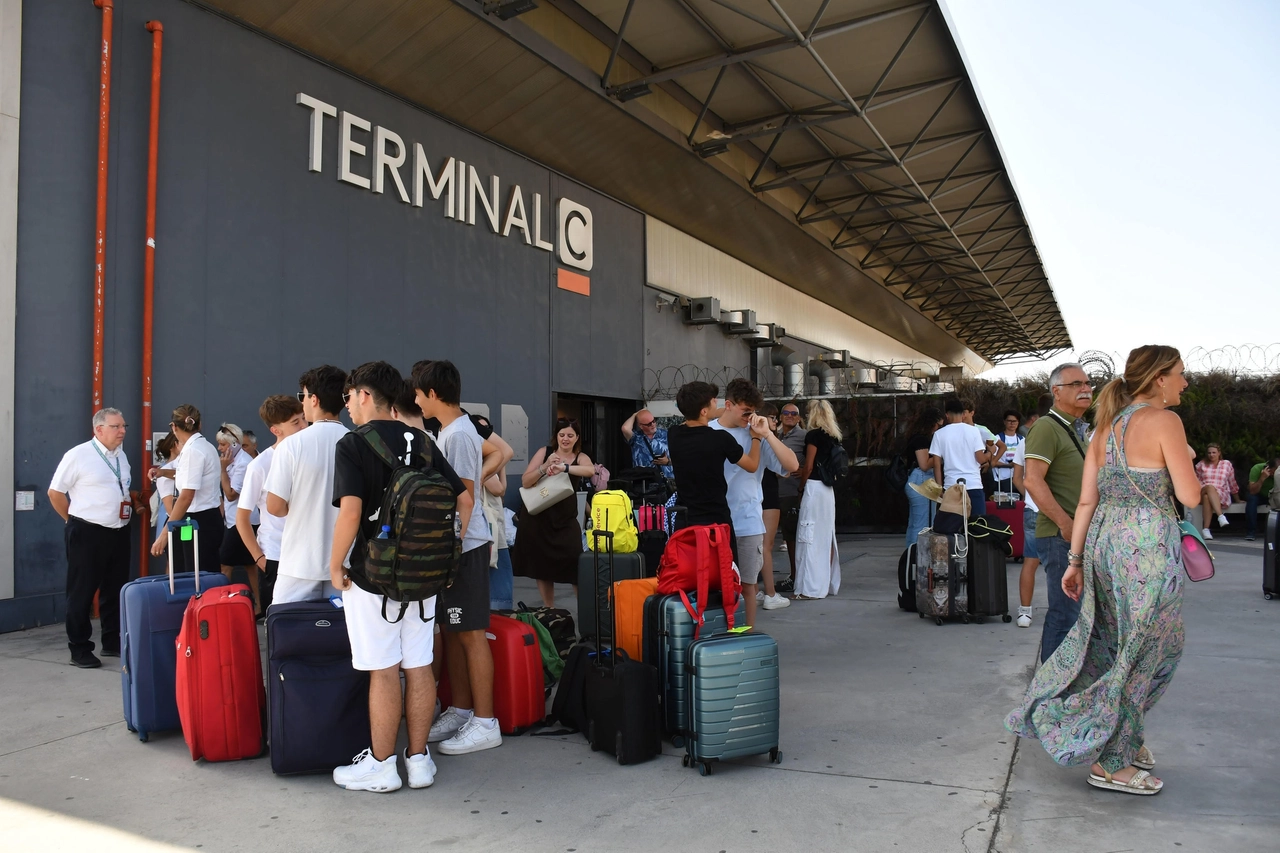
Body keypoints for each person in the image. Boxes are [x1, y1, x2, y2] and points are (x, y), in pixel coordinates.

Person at [1007, 345, 1200, 796]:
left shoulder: (1104, 427)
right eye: (1180, 375)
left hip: (1104, 545)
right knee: (1148, 649)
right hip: (1147, 549)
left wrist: (1075, 561)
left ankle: (1118, 736)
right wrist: (1185, 457)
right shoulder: (1166, 422)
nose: (1184, 383)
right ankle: (1111, 762)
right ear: (1158, 379)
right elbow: (1190, 494)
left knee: (1116, 646)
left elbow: (1088, 501)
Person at [329, 361, 471, 793]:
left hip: (374, 578)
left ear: (365, 395)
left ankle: (382, 765)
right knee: (420, 665)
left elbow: (351, 512)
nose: (348, 406)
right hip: (425, 577)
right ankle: (419, 760)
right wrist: (446, 546)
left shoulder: (353, 444)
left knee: (384, 670)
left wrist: (335, 566)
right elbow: (463, 498)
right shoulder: (423, 439)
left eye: (349, 397)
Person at [414, 360, 502, 756]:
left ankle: (486, 722)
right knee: (453, 631)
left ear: (433, 394)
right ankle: (462, 709)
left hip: (464, 548)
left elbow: (463, 498)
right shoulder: (450, 432)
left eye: (418, 393)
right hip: (455, 549)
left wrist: (452, 545)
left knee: (470, 633)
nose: (415, 400)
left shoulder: (460, 437)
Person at [47, 407, 137, 668]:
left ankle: (111, 641)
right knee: (82, 591)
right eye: (116, 426)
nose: (122, 431)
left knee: (115, 588)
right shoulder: (78, 455)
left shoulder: (121, 456)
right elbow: (55, 493)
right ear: (99, 429)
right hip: (87, 531)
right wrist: (73, 521)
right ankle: (80, 648)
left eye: (124, 426)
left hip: (119, 531)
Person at [709, 383, 798, 622]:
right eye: (745, 411)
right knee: (714, 586)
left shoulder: (756, 433)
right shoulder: (708, 431)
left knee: (748, 586)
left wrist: (767, 433)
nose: (750, 417)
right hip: (714, 523)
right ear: (728, 405)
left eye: (753, 411)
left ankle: (746, 635)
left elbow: (792, 466)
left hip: (747, 522)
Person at [1023, 363, 1094, 662]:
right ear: (1056, 391)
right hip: (1060, 536)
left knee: (1075, 616)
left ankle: (1063, 687)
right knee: (1064, 616)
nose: (1086, 389)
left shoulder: (1074, 430)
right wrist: (1066, 525)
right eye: (1076, 384)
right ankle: (1051, 693)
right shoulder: (1046, 427)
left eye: (1088, 383)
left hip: (1074, 536)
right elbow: (1031, 480)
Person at [265, 366, 350, 604]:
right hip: (345, 561)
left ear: (314, 399)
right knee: (340, 636)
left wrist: (302, 506)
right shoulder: (357, 442)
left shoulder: (291, 446)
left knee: (289, 632)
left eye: (303, 396)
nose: (301, 403)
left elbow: (274, 506)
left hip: (299, 562)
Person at [666, 381, 765, 569]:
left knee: (691, 573)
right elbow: (752, 465)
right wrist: (756, 438)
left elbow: (690, 420)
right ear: (704, 411)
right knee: (724, 574)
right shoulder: (720, 439)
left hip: (686, 518)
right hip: (716, 519)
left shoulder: (673, 434)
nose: (717, 404)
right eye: (713, 402)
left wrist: (722, 412)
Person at [236, 396, 307, 617]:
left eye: (303, 419)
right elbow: (242, 517)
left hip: (306, 554)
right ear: (276, 430)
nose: (304, 426)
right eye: (296, 422)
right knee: (278, 624)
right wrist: (260, 558)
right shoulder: (260, 465)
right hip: (276, 556)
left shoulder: (308, 455)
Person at [511, 418, 592, 608]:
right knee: (542, 567)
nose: (565, 439)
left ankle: (586, 613)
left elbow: (590, 470)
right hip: (539, 517)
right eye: (562, 434)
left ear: (577, 438)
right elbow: (525, 481)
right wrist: (545, 466)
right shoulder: (545, 452)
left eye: (570, 435)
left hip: (565, 520)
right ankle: (549, 610)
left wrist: (564, 467)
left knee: (575, 565)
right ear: (556, 436)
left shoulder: (580, 456)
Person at [150, 404, 223, 574]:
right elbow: (188, 476)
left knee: (196, 576)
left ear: (174, 427)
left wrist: (163, 535)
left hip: (198, 520)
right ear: (199, 425)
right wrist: (163, 472)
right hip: (203, 519)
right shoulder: (204, 446)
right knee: (194, 572)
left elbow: (186, 496)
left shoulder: (193, 451)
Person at [793, 399, 843, 600]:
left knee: (809, 533)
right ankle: (826, 581)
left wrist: (801, 486)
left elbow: (809, 466)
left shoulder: (813, 436)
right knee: (826, 534)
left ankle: (811, 587)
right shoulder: (834, 437)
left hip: (814, 487)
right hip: (828, 490)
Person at [216, 423, 259, 606]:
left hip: (241, 522)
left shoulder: (242, 464)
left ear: (234, 445)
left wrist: (223, 470)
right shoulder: (236, 461)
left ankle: (223, 603)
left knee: (225, 564)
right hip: (238, 521)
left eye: (223, 445)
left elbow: (231, 494)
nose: (219, 449)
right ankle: (258, 603)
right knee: (250, 565)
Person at [929, 399, 987, 518]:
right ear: (963, 414)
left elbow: (936, 464)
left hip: (951, 486)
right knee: (977, 527)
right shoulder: (974, 431)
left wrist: (940, 488)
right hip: (973, 485)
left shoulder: (939, 434)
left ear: (947, 415)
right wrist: (990, 454)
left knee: (951, 528)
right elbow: (981, 459)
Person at [757, 404, 789, 610]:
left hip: (755, 494)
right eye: (772, 417)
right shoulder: (766, 439)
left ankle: (755, 590)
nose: (775, 422)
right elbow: (785, 469)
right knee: (765, 546)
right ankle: (770, 593)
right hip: (767, 493)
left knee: (755, 546)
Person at [774, 400, 807, 591]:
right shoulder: (775, 436)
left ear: (799, 418)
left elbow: (815, 459)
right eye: (786, 413)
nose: (789, 416)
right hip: (776, 492)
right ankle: (794, 575)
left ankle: (797, 576)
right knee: (785, 536)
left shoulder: (803, 437)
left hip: (793, 492)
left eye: (794, 413)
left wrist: (805, 472)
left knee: (794, 537)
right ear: (780, 416)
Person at [1011, 434, 1041, 628]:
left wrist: (1030, 496)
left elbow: (1016, 478)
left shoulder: (1026, 441)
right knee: (1065, 564)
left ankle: (1025, 611)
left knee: (1030, 562)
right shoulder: (1065, 434)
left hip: (1033, 508)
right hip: (1062, 509)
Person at [902, 407, 942, 548]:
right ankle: (917, 559)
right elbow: (924, 464)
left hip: (916, 480)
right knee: (922, 525)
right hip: (921, 480)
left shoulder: (916, 437)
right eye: (938, 426)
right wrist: (939, 456)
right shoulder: (922, 440)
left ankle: (910, 559)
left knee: (915, 523)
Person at [1194, 443, 1237, 540]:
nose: (1211, 455)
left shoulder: (1226, 464)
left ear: (1219, 453)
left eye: (1214, 452)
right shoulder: (1201, 465)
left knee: (1207, 497)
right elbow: (1196, 482)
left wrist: (1237, 498)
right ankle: (1220, 516)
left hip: (1221, 493)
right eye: (1209, 453)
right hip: (1203, 490)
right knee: (1209, 488)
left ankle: (1205, 529)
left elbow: (1232, 482)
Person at [621, 408, 673, 480]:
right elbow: (625, 428)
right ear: (641, 426)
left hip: (665, 481)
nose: (653, 425)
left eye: (653, 421)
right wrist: (635, 414)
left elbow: (681, 456)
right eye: (649, 424)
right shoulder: (636, 438)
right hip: (643, 482)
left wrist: (668, 461)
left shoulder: (667, 435)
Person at [149, 431, 179, 546]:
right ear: (173, 446)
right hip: (171, 522)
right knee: (172, 561)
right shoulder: (164, 471)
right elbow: (171, 510)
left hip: (179, 522)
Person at [991, 411, 1023, 499]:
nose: (1012, 424)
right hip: (1002, 479)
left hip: (1019, 478)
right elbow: (992, 460)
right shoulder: (997, 438)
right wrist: (1008, 465)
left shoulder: (1022, 439)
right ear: (1004, 422)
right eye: (1009, 421)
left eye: (1014, 421)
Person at [1245, 457, 1278, 541]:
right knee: (1251, 499)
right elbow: (1252, 491)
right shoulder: (1257, 468)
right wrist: (1262, 478)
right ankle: (1251, 532)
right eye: (1274, 472)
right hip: (1260, 495)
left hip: (1275, 496)